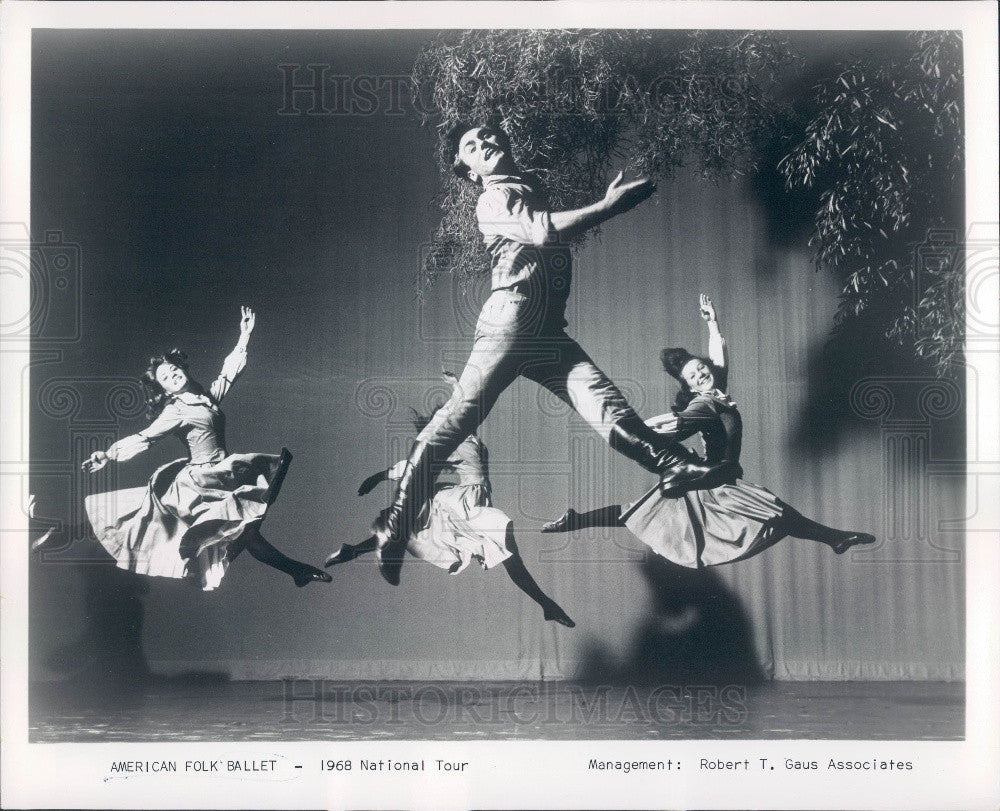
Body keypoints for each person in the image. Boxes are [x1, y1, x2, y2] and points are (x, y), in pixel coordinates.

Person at [371, 124, 734, 583]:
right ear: (467, 170)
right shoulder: (492, 198)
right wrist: (608, 206)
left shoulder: (523, 188)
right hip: (512, 321)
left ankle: (676, 468)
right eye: (470, 145)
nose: (484, 142)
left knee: (609, 410)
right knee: (456, 420)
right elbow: (538, 234)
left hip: (547, 334)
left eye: (487, 134)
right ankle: (395, 524)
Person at [541, 295, 876, 566]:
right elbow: (673, 424)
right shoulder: (704, 404)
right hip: (711, 476)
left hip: (711, 478)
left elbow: (720, 361)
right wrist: (642, 428)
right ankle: (835, 538)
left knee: (643, 511)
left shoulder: (717, 394)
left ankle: (577, 519)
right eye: (694, 376)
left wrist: (713, 324)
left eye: (701, 369)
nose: (701, 375)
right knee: (775, 511)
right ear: (689, 386)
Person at [34, 307, 331, 590]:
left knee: (246, 532)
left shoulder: (206, 398)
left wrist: (244, 335)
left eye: (174, 369)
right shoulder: (175, 411)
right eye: (166, 377)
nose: (173, 375)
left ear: (183, 369)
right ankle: (63, 530)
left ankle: (298, 572)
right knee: (141, 519)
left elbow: (228, 374)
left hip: (222, 475)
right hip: (198, 481)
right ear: (164, 389)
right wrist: (109, 454)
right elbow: (146, 437)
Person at [327, 372, 574, 627]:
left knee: (505, 552)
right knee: (501, 547)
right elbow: (416, 466)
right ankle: (546, 604)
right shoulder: (451, 442)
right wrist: (381, 476)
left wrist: (458, 385)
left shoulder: (468, 434)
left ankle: (545, 605)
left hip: (477, 500)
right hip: (463, 502)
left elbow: (468, 405)